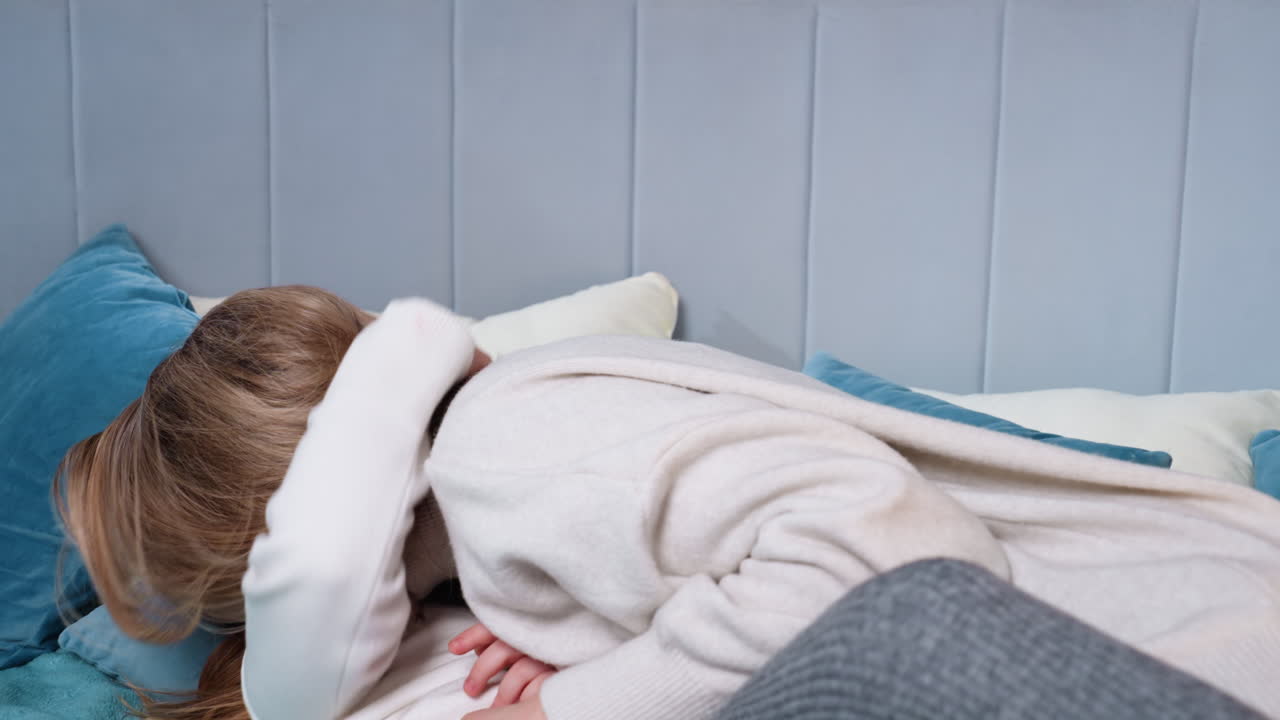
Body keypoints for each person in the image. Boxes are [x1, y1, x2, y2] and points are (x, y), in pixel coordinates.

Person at [56, 286, 1280, 720]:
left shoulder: (501, 447)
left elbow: (887, 559)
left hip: (1175, 657)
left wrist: (585, 707)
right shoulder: (503, 476)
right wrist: (617, 640)